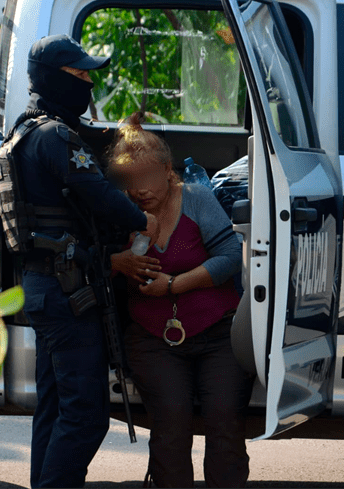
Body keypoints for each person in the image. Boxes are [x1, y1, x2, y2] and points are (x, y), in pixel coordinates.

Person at [8, 35, 159, 489]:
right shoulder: (56, 137)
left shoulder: (26, 129)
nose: (90, 82)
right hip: (67, 293)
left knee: (53, 410)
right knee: (87, 417)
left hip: (47, 287)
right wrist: (143, 218)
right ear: (57, 78)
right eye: (81, 74)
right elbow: (100, 195)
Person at [108, 113, 253, 488]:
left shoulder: (196, 199)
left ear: (167, 170)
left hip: (217, 332)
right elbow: (96, 267)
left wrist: (174, 285)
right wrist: (122, 257)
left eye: (147, 178)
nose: (139, 189)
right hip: (152, 338)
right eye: (130, 181)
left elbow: (231, 256)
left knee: (225, 425)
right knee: (171, 427)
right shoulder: (120, 210)